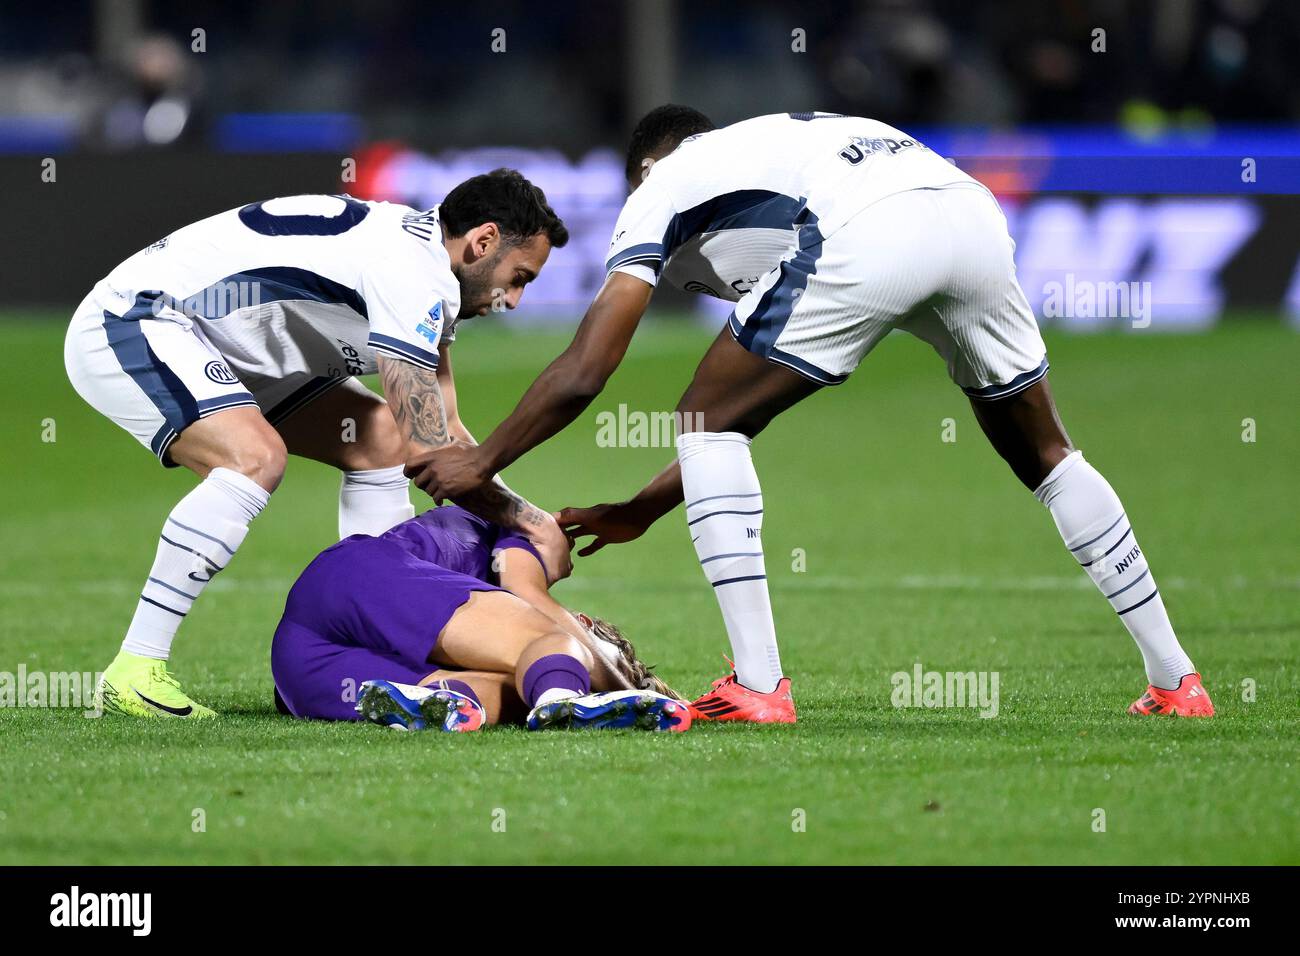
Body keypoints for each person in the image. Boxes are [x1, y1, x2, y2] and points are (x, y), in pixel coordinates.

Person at [406, 108, 1214, 722]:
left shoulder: (663, 187)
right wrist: (645, 508)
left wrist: (480, 462)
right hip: (968, 211)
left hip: (867, 227)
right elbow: (754, 406)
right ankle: (1177, 680)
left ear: (647, 170)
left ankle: (758, 684)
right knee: (1046, 453)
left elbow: (587, 370)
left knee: (701, 416)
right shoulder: (777, 152)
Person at [65, 170, 574, 718]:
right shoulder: (410, 277)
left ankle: (368, 634)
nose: (515, 300)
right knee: (254, 457)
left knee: (379, 438)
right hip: (138, 319)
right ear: (483, 241)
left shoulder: (427, 272)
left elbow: (444, 436)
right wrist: (528, 523)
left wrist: (525, 515)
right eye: (518, 278)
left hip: (234, 346)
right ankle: (135, 669)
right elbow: (433, 451)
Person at [272, 505, 690, 732]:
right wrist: (628, 691)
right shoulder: (525, 528)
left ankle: (430, 703)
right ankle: (563, 705)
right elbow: (529, 597)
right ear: (582, 620)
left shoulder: (484, 639)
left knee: (490, 698)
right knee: (547, 641)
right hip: (359, 576)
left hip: (299, 666)